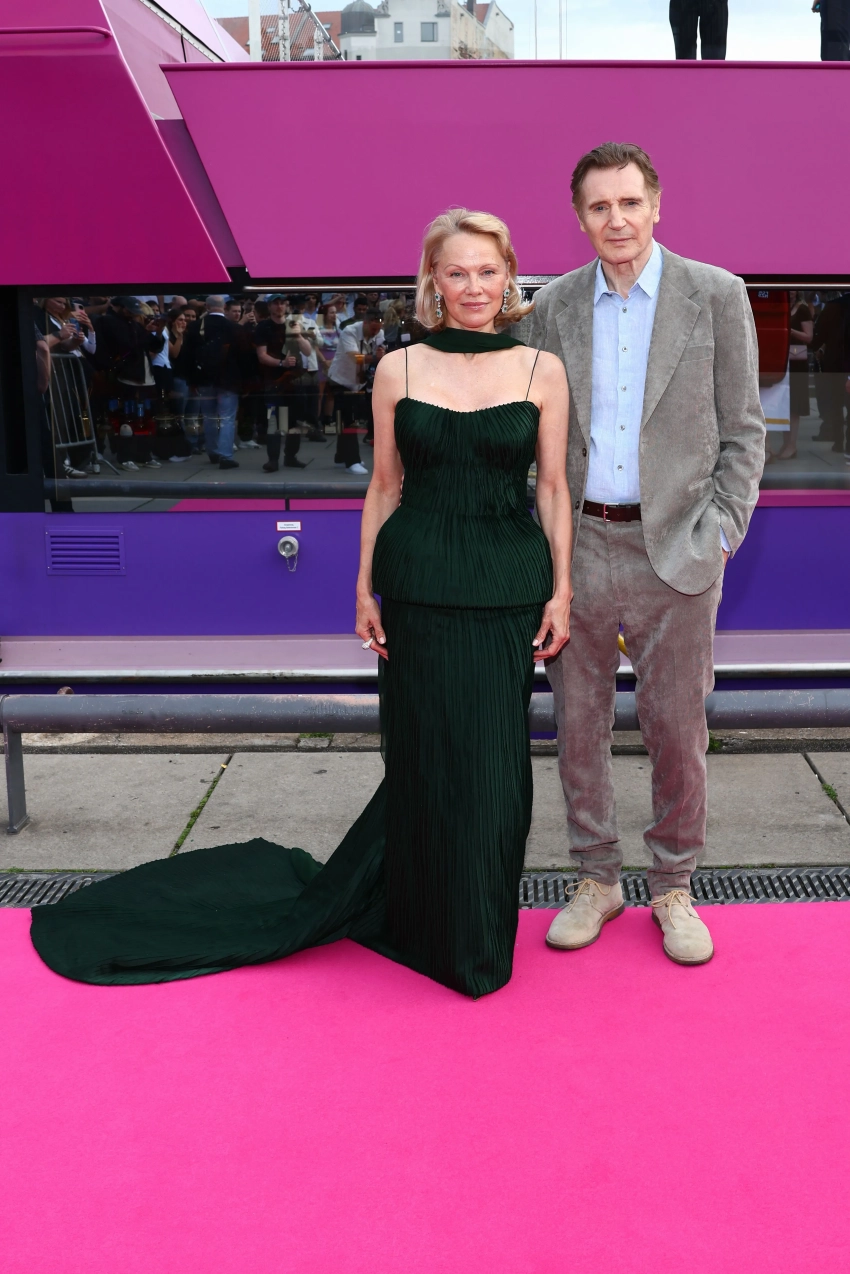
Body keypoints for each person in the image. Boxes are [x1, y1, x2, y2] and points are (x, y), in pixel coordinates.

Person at [30, 208, 572, 1000]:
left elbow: (552, 489)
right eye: (456, 272)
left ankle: (478, 936)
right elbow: (384, 486)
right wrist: (361, 588)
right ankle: (425, 920)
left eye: (487, 271)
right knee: (423, 757)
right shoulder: (399, 368)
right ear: (433, 280)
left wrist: (563, 589)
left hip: (504, 588)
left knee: (495, 770)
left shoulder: (540, 369)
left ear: (510, 276)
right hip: (417, 584)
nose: (473, 286)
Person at [529, 142, 765, 966]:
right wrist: (543, 539)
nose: (617, 219)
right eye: (600, 206)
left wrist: (722, 529)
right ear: (580, 217)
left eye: (630, 202)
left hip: (680, 546)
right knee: (577, 724)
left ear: (657, 206)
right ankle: (596, 878)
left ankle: (673, 885)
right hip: (579, 544)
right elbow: (533, 432)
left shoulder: (716, 293)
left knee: (677, 725)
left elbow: (744, 430)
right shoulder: (552, 306)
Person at [182, 296, 242, 470]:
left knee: (209, 417)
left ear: (207, 306)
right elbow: (242, 357)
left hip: (204, 377)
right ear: (224, 307)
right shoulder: (234, 328)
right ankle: (225, 455)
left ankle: (213, 450)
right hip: (228, 379)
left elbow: (187, 355)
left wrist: (191, 380)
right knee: (227, 418)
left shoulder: (195, 327)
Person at [254, 294, 313, 471]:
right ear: (270, 307)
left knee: (295, 421)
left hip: (294, 380)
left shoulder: (293, 324)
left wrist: (298, 336)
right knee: (274, 421)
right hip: (273, 380)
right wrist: (282, 363)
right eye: (276, 303)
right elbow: (262, 355)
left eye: (282, 303)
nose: (279, 306)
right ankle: (273, 459)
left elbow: (308, 351)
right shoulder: (263, 327)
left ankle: (291, 456)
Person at [324, 308, 385, 473]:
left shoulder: (379, 333)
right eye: (373, 329)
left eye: (378, 329)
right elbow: (355, 357)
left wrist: (380, 354)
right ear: (365, 323)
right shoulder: (349, 331)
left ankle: (340, 457)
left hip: (358, 382)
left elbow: (378, 353)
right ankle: (352, 461)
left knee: (347, 419)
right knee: (349, 420)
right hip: (340, 380)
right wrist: (376, 357)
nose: (375, 333)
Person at [772, 291, 814, 461]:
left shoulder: (802, 309)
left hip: (797, 362)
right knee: (785, 404)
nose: (790, 293)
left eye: (792, 289)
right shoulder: (781, 308)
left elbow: (809, 337)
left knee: (794, 406)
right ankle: (786, 443)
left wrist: (790, 331)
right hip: (782, 361)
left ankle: (792, 445)